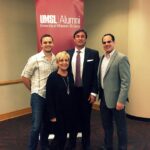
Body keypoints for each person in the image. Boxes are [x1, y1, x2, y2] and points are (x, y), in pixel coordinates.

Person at [21, 34, 57, 150]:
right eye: (45, 42)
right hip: (38, 96)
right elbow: (24, 76)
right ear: (41, 44)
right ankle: (31, 148)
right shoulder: (34, 59)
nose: (47, 44)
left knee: (46, 124)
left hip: (51, 97)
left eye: (49, 42)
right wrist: (33, 90)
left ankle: (44, 146)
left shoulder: (56, 59)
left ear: (53, 43)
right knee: (36, 126)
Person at [67, 29, 100, 150]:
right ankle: (71, 144)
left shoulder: (93, 54)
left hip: (86, 93)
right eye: (77, 36)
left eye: (82, 36)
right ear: (74, 39)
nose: (80, 38)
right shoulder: (67, 53)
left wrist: (93, 92)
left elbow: (96, 75)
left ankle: (86, 144)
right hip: (71, 93)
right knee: (72, 119)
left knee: (86, 120)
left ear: (86, 39)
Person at [98, 33, 131, 150]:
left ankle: (122, 147)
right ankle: (108, 146)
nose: (107, 44)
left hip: (117, 101)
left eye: (109, 41)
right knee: (107, 126)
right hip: (103, 99)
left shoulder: (121, 58)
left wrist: (121, 100)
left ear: (114, 42)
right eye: (104, 42)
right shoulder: (102, 57)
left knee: (121, 127)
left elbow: (125, 82)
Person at [45, 51, 75, 150]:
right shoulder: (52, 77)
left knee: (67, 137)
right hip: (58, 113)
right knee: (59, 138)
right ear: (57, 63)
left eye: (66, 60)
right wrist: (52, 115)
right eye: (61, 60)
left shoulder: (71, 75)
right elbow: (49, 98)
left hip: (69, 113)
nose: (64, 62)